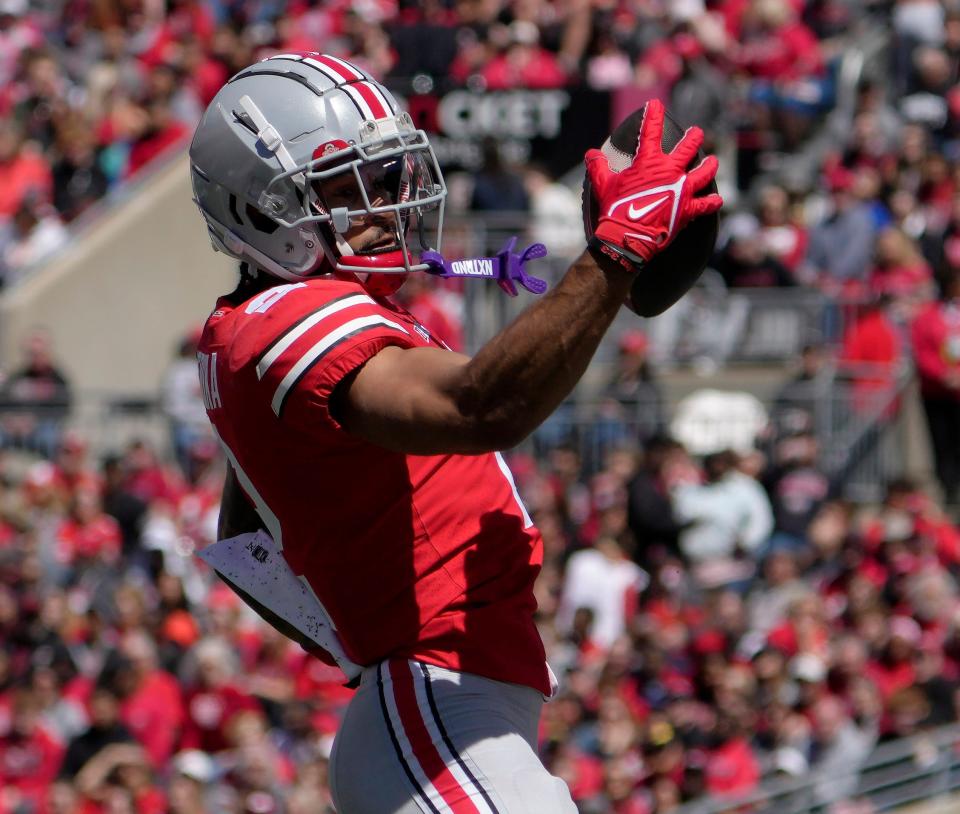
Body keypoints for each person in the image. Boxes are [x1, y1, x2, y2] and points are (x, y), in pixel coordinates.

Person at [188, 53, 720, 814]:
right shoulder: (291, 317)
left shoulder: (265, 333)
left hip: (433, 709)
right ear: (259, 211)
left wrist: (358, 638)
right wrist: (614, 253)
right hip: (433, 709)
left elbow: (248, 540)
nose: (384, 206)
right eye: (348, 190)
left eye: (387, 178)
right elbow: (481, 409)